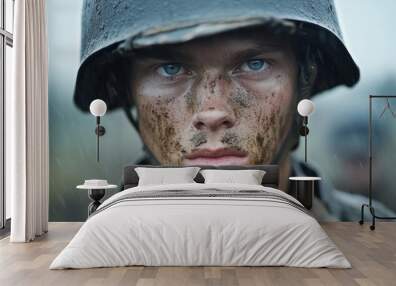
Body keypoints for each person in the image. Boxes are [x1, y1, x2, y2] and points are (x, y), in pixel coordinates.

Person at [73, 0, 361, 220]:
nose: (213, 112)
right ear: (126, 89)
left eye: (254, 64)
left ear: (303, 81)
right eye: (170, 68)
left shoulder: (371, 232)